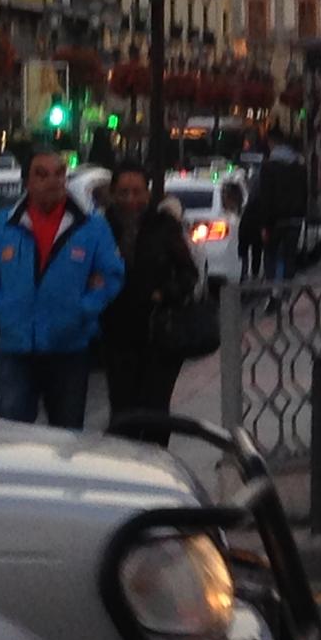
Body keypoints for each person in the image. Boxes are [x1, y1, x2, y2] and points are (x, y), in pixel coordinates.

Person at [0, 151, 125, 429]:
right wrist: (0, 307)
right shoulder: (3, 225)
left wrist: (84, 308)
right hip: (16, 350)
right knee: (12, 436)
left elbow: (111, 274)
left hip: (68, 350)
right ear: (28, 182)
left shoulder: (90, 228)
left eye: (59, 173)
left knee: (66, 440)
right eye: (42, 174)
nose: (52, 181)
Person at [101, 162, 200, 445]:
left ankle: (157, 472)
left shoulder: (164, 227)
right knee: (123, 414)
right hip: (117, 334)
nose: (130, 200)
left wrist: (163, 293)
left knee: (155, 412)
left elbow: (188, 274)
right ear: (112, 194)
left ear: (147, 194)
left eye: (136, 192)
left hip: (159, 336)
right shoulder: (101, 227)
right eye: (123, 192)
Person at [256, 130, 309, 281]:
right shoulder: (299, 166)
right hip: (295, 219)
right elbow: (304, 192)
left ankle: (274, 292)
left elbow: (265, 198)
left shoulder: (268, 167)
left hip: (275, 221)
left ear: (272, 144)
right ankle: (286, 295)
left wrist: (264, 225)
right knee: (289, 257)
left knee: (271, 255)